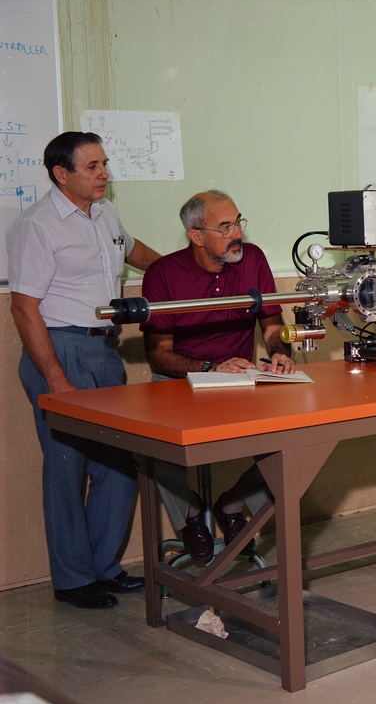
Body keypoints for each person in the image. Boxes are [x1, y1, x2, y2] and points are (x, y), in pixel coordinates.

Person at [7, 131, 160, 609]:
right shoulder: (38, 225)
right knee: (67, 469)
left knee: (118, 465)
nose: (104, 174)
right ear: (61, 174)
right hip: (59, 350)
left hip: (103, 350)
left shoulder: (105, 213)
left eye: (104, 164)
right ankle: (73, 581)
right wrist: (55, 378)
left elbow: (138, 255)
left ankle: (103, 569)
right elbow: (24, 308)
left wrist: (187, 270)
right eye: (92, 167)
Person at [140, 190, 295, 561]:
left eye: (238, 221)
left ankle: (233, 505)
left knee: (294, 436)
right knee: (153, 449)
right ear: (196, 235)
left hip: (238, 380)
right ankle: (191, 514)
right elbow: (159, 356)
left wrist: (279, 354)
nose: (236, 233)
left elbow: (272, 324)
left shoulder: (252, 258)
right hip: (180, 381)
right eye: (224, 227)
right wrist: (209, 368)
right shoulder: (163, 274)